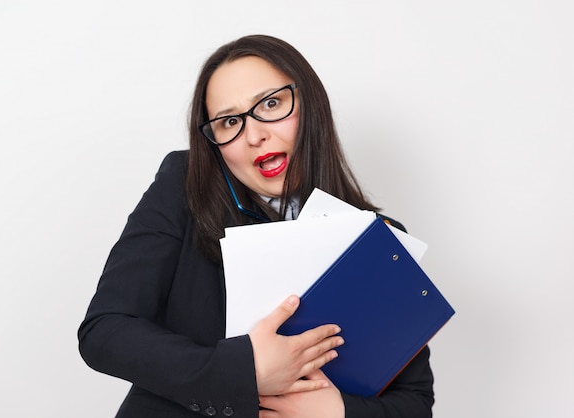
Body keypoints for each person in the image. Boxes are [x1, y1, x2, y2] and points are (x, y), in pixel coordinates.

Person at [78, 34, 435, 418]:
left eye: (271, 103)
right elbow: (105, 330)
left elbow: (414, 402)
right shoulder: (184, 186)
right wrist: (244, 370)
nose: (254, 135)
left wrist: (333, 412)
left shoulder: (379, 237)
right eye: (230, 121)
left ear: (310, 103)